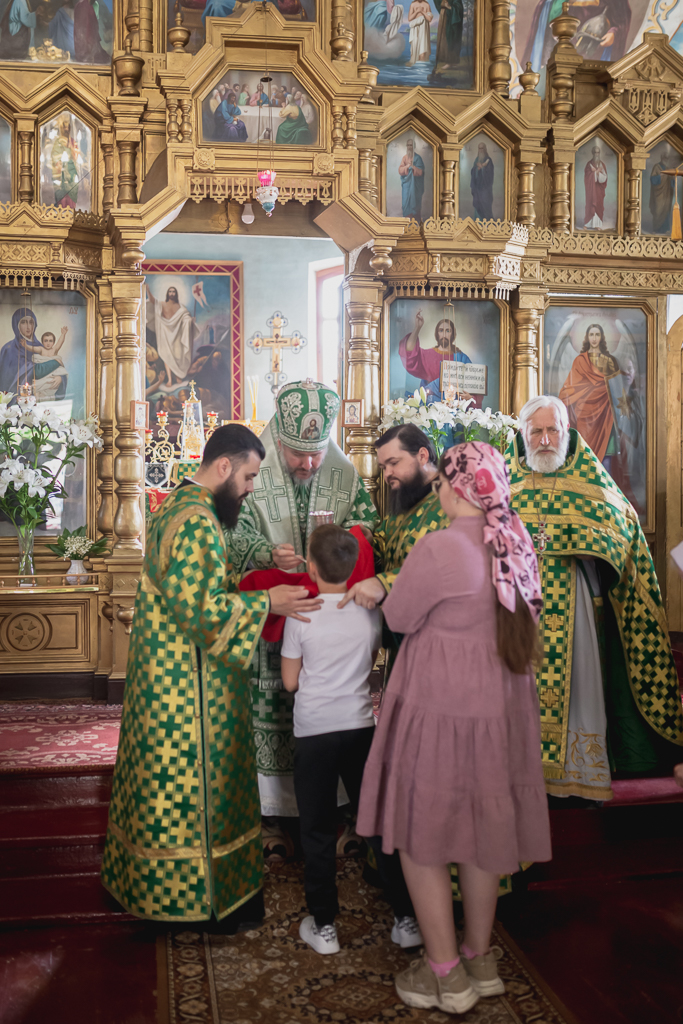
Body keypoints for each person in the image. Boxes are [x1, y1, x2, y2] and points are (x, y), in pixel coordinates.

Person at [101, 425, 323, 925]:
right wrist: (267, 601)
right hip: (188, 689)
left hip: (167, 675)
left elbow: (201, 583)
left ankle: (152, 888)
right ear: (224, 466)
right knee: (190, 792)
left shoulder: (180, 505)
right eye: (248, 477)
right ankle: (199, 901)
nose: (249, 488)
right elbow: (202, 612)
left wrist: (261, 573)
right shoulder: (197, 521)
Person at [356, 442, 551, 1014]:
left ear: (460, 487)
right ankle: (479, 958)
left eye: (442, 482)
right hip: (500, 706)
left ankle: (444, 972)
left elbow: (398, 617)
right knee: (481, 831)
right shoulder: (514, 540)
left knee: (422, 836)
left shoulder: (441, 546)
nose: (437, 490)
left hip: (441, 706)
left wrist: (384, 588)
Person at [506, 395, 683, 801]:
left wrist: (588, 544)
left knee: (578, 688)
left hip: (575, 606)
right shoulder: (502, 481)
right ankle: (517, 771)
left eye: (553, 431)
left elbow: (624, 529)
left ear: (567, 432)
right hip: (514, 610)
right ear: (523, 434)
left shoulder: (592, 483)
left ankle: (577, 774)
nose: (545, 440)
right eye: (537, 431)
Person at [224, 380, 378, 826]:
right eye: (297, 453)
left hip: (329, 616)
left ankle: (336, 810)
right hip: (270, 616)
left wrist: (341, 547)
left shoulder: (343, 471)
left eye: (316, 453)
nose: (309, 464)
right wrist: (266, 552)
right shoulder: (255, 469)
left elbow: (369, 524)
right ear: (279, 439)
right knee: (270, 706)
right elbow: (232, 530)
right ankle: (272, 812)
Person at [281, 525, 382, 954]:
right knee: (376, 822)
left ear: (311, 566)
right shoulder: (371, 613)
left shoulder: (300, 614)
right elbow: (371, 662)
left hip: (315, 732)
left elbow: (290, 682)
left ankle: (324, 927)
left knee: (318, 829)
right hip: (360, 727)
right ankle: (408, 917)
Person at [398, 308, 479, 403]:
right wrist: (417, 328)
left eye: (448, 331)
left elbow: (474, 386)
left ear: (453, 334)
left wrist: (470, 397)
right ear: (437, 334)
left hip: (454, 407)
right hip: (430, 405)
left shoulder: (462, 358)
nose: (444, 334)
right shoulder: (427, 355)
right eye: (441, 330)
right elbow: (409, 353)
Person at [0, 307, 64, 399]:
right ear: (16, 325)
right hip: (16, 400)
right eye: (23, 322)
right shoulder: (8, 349)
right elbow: (34, 370)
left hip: (40, 398)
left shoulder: (40, 347)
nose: (28, 327)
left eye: (31, 322)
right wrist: (55, 362)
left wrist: (60, 378)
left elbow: (56, 368)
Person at [146, 283, 195, 384]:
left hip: (176, 335)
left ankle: (177, 377)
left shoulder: (180, 307)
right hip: (165, 333)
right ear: (167, 293)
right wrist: (148, 290)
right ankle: (169, 379)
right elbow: (153, 301)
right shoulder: (162, 304)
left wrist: (189, 320)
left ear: (176, 294)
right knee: (166, 356)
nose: (172, 293)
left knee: (177, 356)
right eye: (170, 291)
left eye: (173, 292)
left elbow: (185, 317)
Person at [649, 146, 676, 234]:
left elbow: (672, 183)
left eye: (667, 158)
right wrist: (661, 176)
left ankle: (665, 229)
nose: (666, 159)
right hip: (658, 195)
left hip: (666, 194)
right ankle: (656, 229)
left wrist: (673, 178)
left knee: (666, 211)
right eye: (665, 157)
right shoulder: (656, 167)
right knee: (658, 211)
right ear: (662, 158)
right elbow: (653, 180)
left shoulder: (668, 169)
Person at [398, 137, 425, 221]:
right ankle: (406, 222)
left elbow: (421, 172)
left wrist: (413, 167)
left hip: (415, 187)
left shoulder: (418, 158)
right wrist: (407, 166)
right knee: (405, 203)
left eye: (411, 145)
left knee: (415, 204)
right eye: (408, 145)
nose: (409, 147)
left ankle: (416, 222)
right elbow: (400, 170)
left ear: (414, 146)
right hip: (406, 185)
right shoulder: (404, 158)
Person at [583, 144, 608, 229]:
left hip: (599, 190)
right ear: (592, 153)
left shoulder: (602, 165)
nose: (596, 154)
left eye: (598, 153)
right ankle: (588, 223)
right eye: (595, 152)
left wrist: (597, 173)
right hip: (591, 189)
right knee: (590, 204)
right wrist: (595, 173)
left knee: (599, 205)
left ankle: (597, 225)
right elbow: (587, 177)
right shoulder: (589, 164)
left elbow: (605, 178)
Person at [435, 0, 463, 69]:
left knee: (452, 37)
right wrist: (442, 5)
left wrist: (449, 7)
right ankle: (449, 61)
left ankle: (451, 62)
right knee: (445, 37)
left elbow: (459, 6)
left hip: (453, 17)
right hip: (445, 15)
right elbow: (437, 3)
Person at [470, 142, 494, 221]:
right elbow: (473, 171)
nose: (480, 150)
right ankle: (478, 221)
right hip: (477, 189)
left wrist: (483, 168)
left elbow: (490, 174)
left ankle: (487, 222)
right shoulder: (476, 160)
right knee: (478, 204)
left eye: (482, 148)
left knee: (485, 205)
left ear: (485, 149)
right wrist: (477, 169)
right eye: (479, 148)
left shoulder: (489, 160)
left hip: (485, 189)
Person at [406, 0, 432, 65]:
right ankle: (413, 63)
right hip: (415, 28)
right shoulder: (413, 4)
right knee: (414, 48)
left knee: (422, 50)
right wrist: (417, 11)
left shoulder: (426, 5)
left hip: (424, 28)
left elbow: (429, 19)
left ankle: (422, 65)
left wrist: (422, 11)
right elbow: (409, 18)